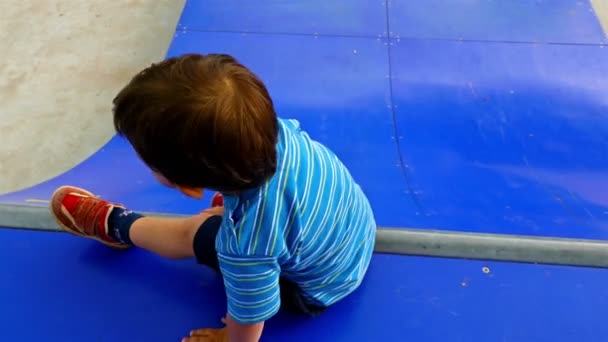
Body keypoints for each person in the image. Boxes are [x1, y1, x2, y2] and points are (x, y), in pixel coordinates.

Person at [49, 53, 376, 342]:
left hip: (316, 291)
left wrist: (227, 338)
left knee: (195, 232)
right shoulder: (278, 132)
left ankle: (118, 226)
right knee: (241, 224)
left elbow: (250, 316)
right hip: (355, 230)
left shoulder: (244, 246)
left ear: (189, 188)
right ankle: (232, 212)